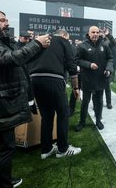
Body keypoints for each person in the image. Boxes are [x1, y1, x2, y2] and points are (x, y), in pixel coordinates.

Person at [0, 8, 50, 188]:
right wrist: (36, 43)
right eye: (2, 20)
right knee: (6, 146)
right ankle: (3, 184)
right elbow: (10, 58)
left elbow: (17, 60)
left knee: (1, 144)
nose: (7, 23)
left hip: (1, 99)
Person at [29, 29, 81, 159]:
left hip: (34, 79)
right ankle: (63, 149)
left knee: (46, 116)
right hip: (53, 79)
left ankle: (46, 149)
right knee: (63, 113)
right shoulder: (63, 41)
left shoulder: (40, 40)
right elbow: (71, 63)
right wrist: (75, 87)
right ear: (64, 35)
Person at [75, 26, 113, 132]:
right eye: (93, 32)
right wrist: (89, 64)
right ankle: (82, 122)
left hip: (101, 79)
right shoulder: (82, 46)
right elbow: (77, 60)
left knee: (99, 102)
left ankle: (98, 120)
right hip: (87, 79)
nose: (95, 34)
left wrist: (108, 68)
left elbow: (110, 58)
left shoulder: (104, 44)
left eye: (97, 32)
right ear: (89, 33)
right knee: (85, 102)